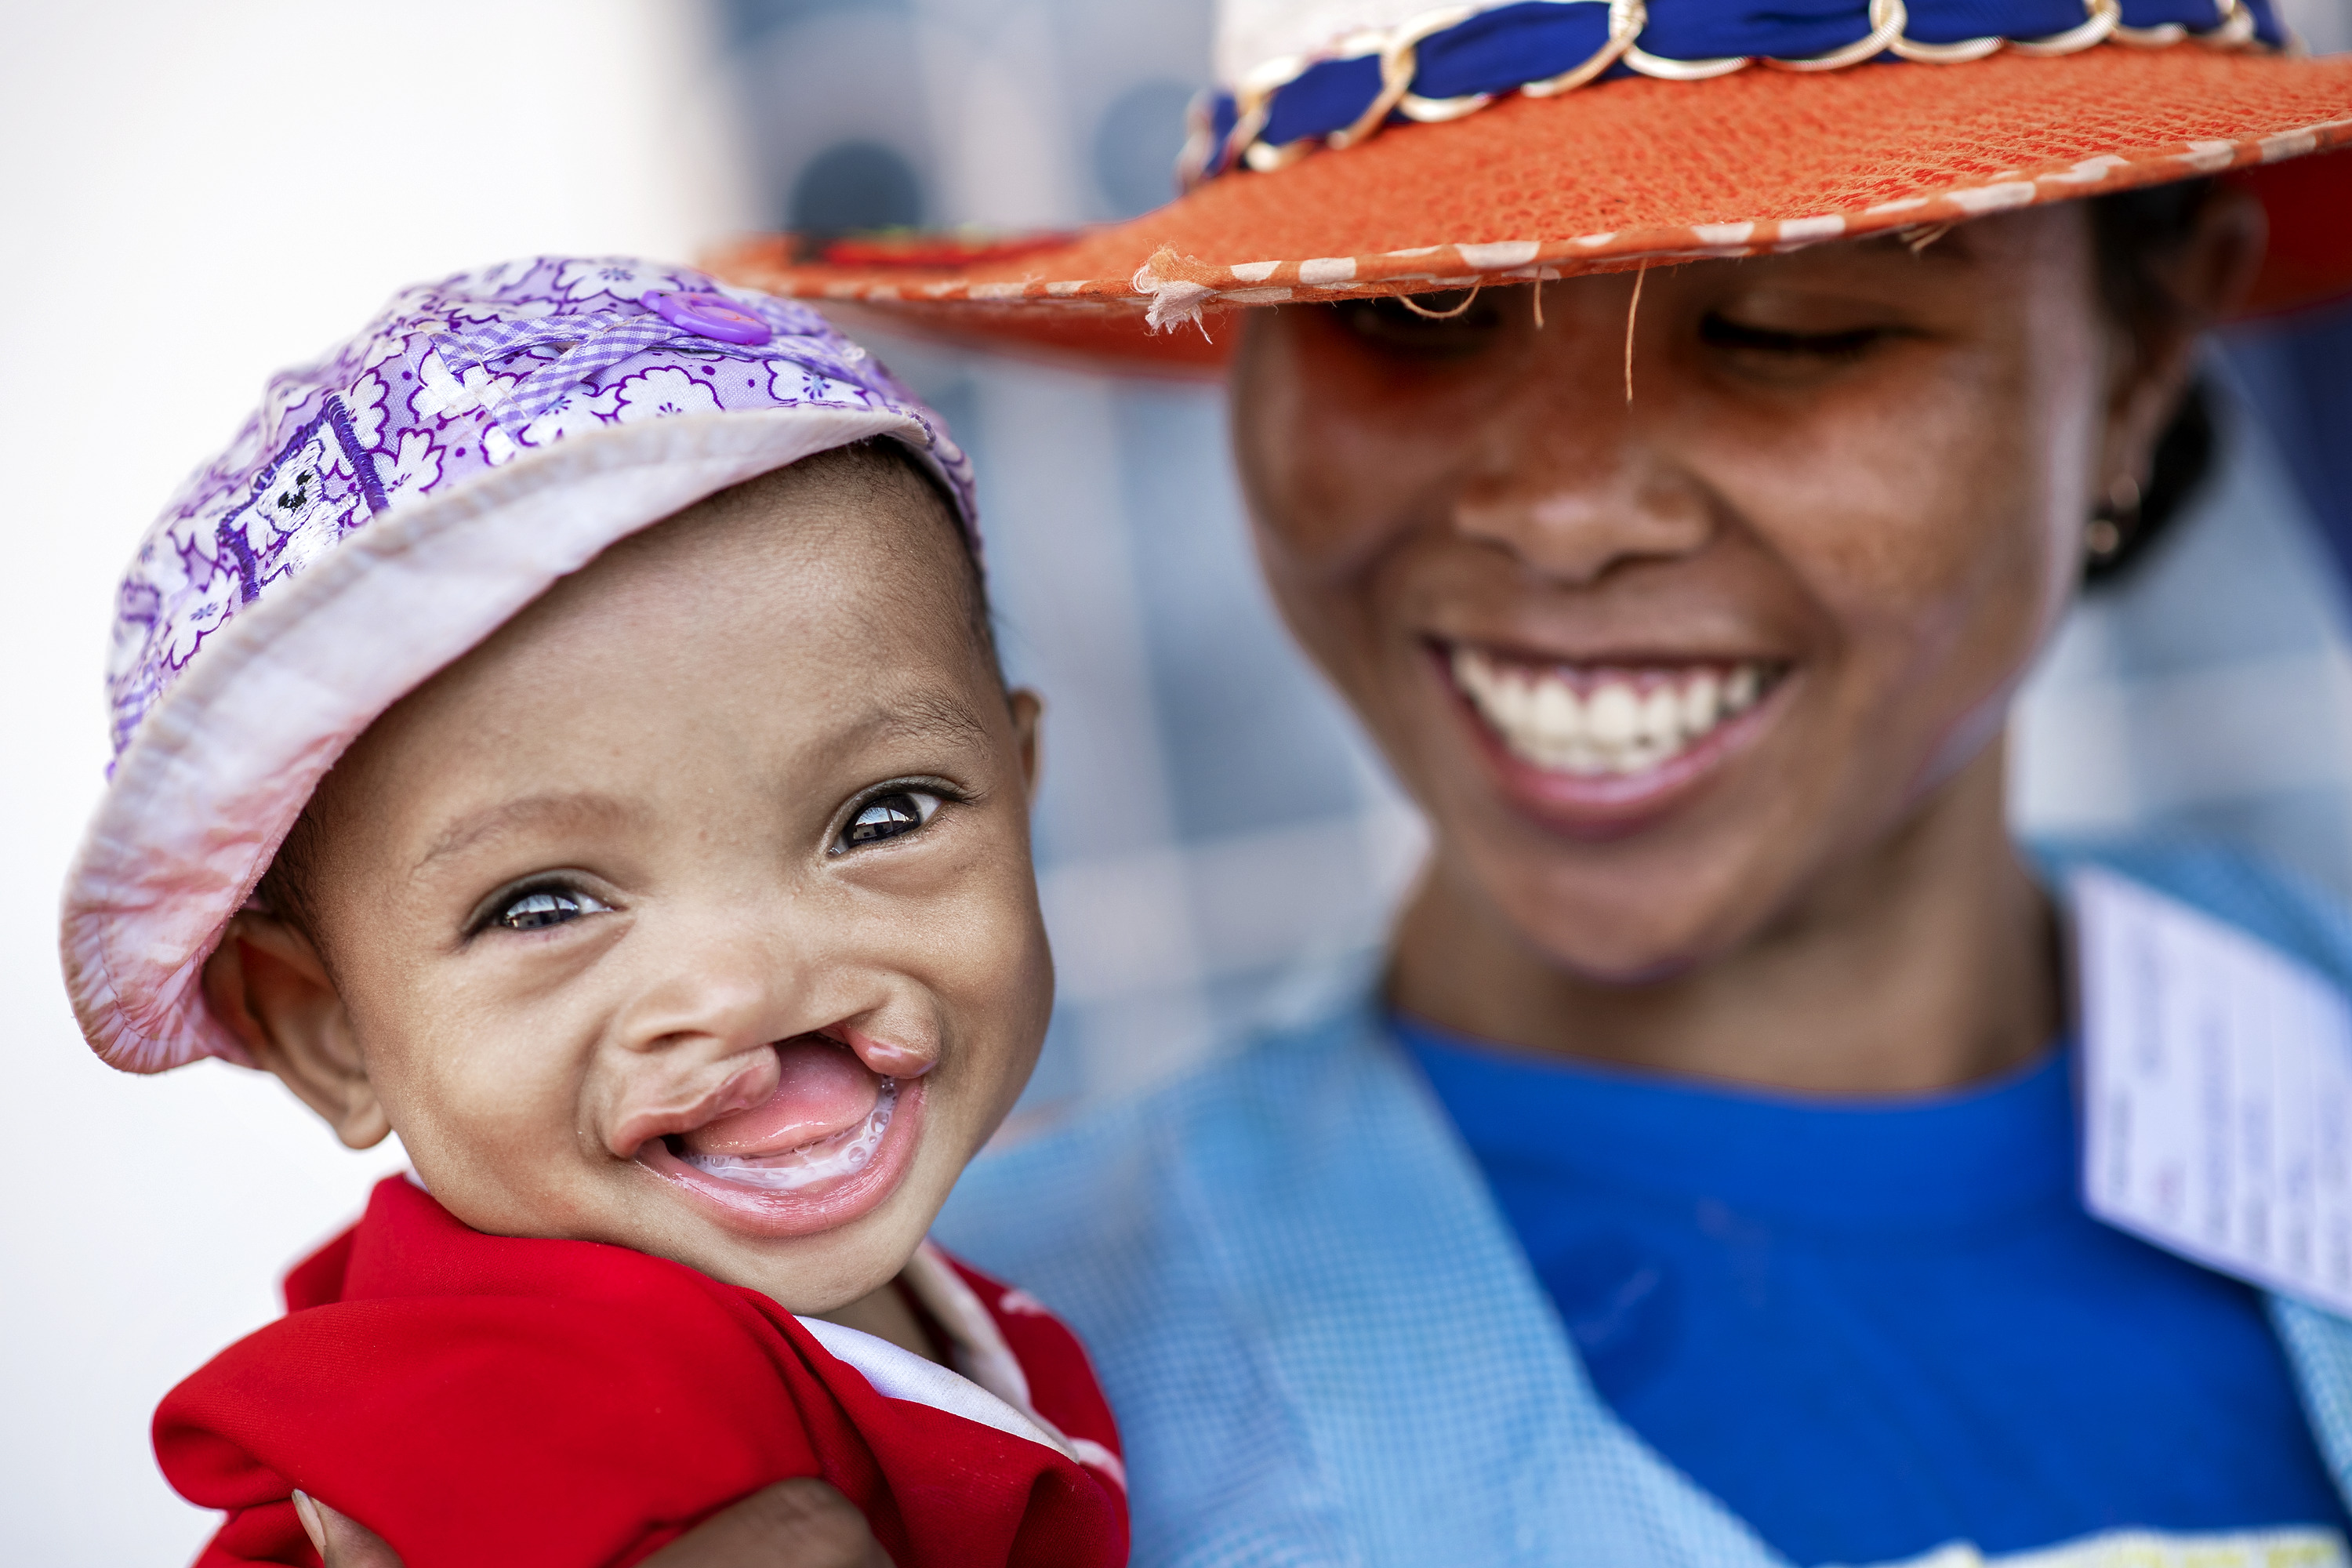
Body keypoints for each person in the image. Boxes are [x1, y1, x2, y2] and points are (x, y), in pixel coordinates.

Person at [693, 2, 2352, 1564]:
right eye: (1406, 312)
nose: (1565, 510)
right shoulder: (921, 1404)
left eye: (1792, 328)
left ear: (2143, 355)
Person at [58, 259, 1124, 1567]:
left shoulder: (965, 1281)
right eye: (545, 903)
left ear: (1021, 792)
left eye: (885, 816)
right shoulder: (520, 1403)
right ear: (328, 1029)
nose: (752, 981)